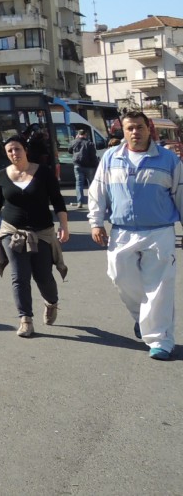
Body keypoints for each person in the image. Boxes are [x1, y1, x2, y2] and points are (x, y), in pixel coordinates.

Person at [87, 109, 183, 361]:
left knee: (159, 287)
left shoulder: (168, 160)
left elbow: (180, 195)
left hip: (159, 232)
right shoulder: (111, 157)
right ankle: (143, 317)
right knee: (120, 277)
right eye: (129, 128)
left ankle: (160, 340)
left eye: (139, 127)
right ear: (123, 131)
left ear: (148, 128)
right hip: (122, 232)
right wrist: (96, 223)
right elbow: (98, 192)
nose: (135, 132)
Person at [0, 136, 69, 338]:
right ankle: (26, 319)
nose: (14, 153)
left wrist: (64, 225)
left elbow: (57, 200)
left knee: (43, 277)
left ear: (25, 150)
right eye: (10, 150)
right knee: (19, 277)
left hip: (42, 232)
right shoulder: (2, 176)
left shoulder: (44, 173)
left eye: (17, 149)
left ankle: (51, 302)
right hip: (12, 232)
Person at [68, 127, 98, 210]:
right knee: (91, 184)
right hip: (90, 167)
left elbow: (70, 150)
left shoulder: (73, 142)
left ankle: (80, 202)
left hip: (78, 165)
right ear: (85, 135)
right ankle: (93, 201)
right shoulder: (90, 144)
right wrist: (97, 165)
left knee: (79, 184)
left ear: (78, 134)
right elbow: (93, 155)